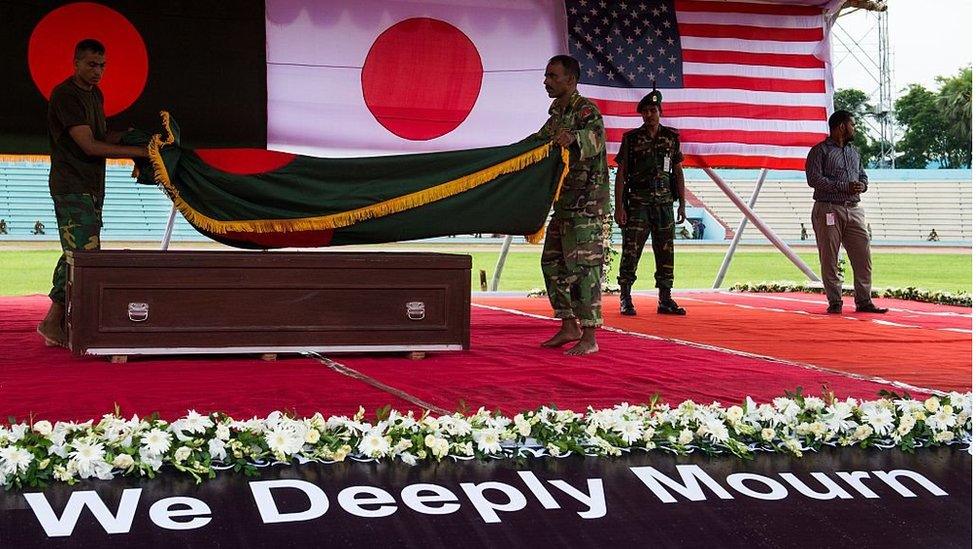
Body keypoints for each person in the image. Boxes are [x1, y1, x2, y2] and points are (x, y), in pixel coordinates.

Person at [37, 38, 148, 346]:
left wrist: (129, 137)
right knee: (84, 255)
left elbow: (100, 135)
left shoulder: (94, 95)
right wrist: (136, 151)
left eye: (102, 65)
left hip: (91, 186)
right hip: (72, 186)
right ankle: (55, 320)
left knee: (76, 253)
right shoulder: (66, 96)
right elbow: (89, 145)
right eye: (91, 64)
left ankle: (54, 320)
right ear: (75, 63)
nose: (98, 71)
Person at [535, 55, 610, 356]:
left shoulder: (586, 111)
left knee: (583, 269)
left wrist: (574, 137)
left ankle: (590, 335)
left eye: (552, 76)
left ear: (571, 80)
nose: (546, 81)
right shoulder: (557, 112)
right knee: (552, 263)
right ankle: (568, 324)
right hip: (565, 203)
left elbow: (596, 140)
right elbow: (539, 141)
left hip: (587, 207)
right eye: (546, 75)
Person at [805, 110, 887, 314]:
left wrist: (862, 185)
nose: (855, 128)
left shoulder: (854, 152)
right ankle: (835, 301)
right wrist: (844, 186)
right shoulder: (819, 151)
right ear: (842, 126)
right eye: (853, 124)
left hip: (854, 209)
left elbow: (863, 176)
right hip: (828, 208)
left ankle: (864, 300)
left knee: (863, 256)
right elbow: (814, 180)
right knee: (830, 257)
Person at [614, 89, 686, 316]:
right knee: (631, 250)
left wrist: (682, 203)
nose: (649, 115)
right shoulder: (631, 138)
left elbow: (677, 171)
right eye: (645, 111)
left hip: (664, 204)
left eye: (653, 110)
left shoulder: (671, 138)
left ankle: (665, 299)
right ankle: (625, 297)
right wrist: (619, 207)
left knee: (666, 251)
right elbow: (621, 173)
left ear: (660, 112)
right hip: (638, 204)